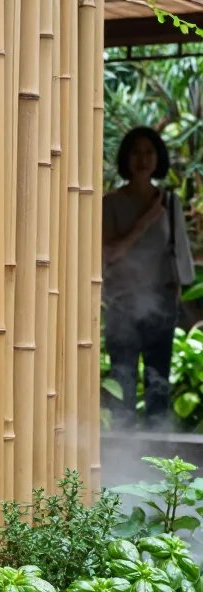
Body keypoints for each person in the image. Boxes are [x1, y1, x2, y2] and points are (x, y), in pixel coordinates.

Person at [103, 126, 194, 426]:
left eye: (149, 152)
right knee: (122, 385)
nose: (142, 159)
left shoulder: (170, 203)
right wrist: (144, 222)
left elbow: (179, 255)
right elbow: (108, 255)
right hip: (121, 305)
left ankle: (159, 451)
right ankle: (120, 449)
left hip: (160, 305)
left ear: (158, 158)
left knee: (159, 387)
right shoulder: (110, 203)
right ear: (125, 158)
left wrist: (175, 299)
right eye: (136, 152)